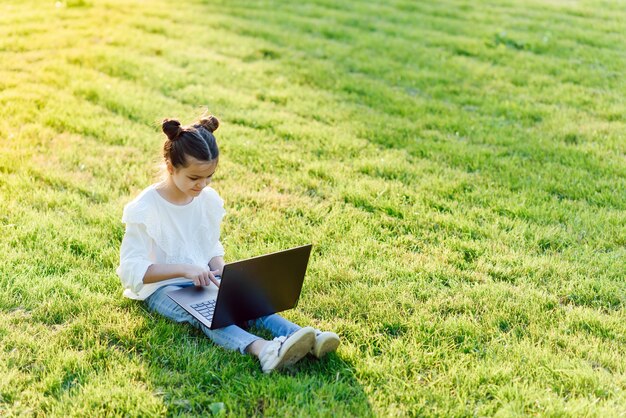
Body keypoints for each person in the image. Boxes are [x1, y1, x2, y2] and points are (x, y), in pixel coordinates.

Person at [117, 115, 339, 373]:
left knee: (247, 301)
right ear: (170, 166)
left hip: (201, 279)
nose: (202, 185)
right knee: (206, 314)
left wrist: (221, 268)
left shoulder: (206, 199)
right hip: (159, 289)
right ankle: (264, 350)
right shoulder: (146, 208)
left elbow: (209, 247)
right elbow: (131, 270)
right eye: (193, 178)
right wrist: (185, 270)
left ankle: (306, 337)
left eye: (209, 176)